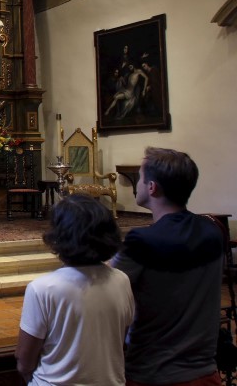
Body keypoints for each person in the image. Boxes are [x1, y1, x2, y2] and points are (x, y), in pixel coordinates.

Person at [111, 147, 223, 385]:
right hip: (205, 373)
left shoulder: (142, 242)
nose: (139, 185)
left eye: (141, 178)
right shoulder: (213, 231)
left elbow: (105, 290)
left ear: (152, 187)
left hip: (153, 374)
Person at [15, 194, 134, 385]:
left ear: (59, 236)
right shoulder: (121, 280)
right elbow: (120, 338)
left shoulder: (42, 288)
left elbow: (24, 360)